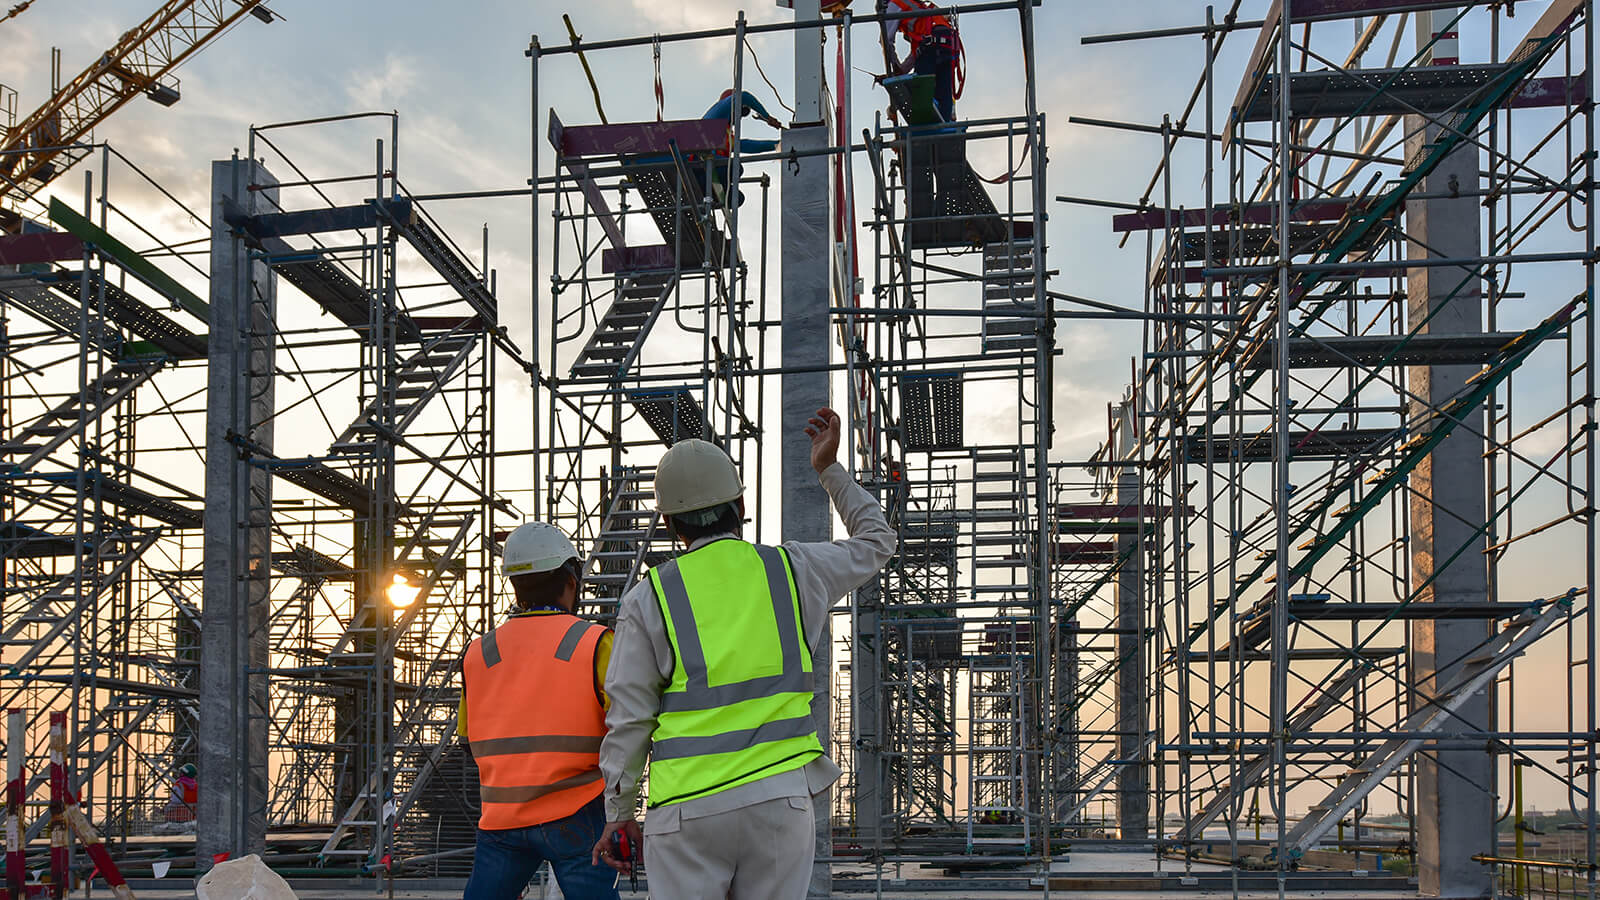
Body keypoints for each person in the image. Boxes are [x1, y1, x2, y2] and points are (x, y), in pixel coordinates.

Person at [591, 409, 895, 900]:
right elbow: (878, 541)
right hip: (779, 803)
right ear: (741, 501)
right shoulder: (793, 568)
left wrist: (619, 815)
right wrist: (829, 470)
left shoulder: (649, 599)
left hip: (686, 812)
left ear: (669, 522)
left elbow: (629, 719)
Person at [460, 522, 619, 900]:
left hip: (501, 821)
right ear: (571, 579)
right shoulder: (595, 641)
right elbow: (626, 731)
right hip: (576, 813)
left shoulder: (479, 652)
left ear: (515, 584)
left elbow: (468, 742)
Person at [694, 89, 784, 207]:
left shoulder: (724, 132)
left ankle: (704, 197)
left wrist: (777, 144)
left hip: (708, 171)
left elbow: (746, 145)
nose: (739, 118)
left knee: (737, 198)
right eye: (740, 112)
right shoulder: (717, 114)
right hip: (698, 166)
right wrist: (767, 117)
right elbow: (744, 96)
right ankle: (706, 192)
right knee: (735, 167)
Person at [879, 0, 964, 123]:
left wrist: (895, 66)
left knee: (923, 92)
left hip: (930, 49)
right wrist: (899, 72)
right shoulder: (922, 18)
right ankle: (946, 125)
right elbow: (914, 56)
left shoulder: (894, 4)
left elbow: (885, 40)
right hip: (946, 46)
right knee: (944, 95)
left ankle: (928, 126)